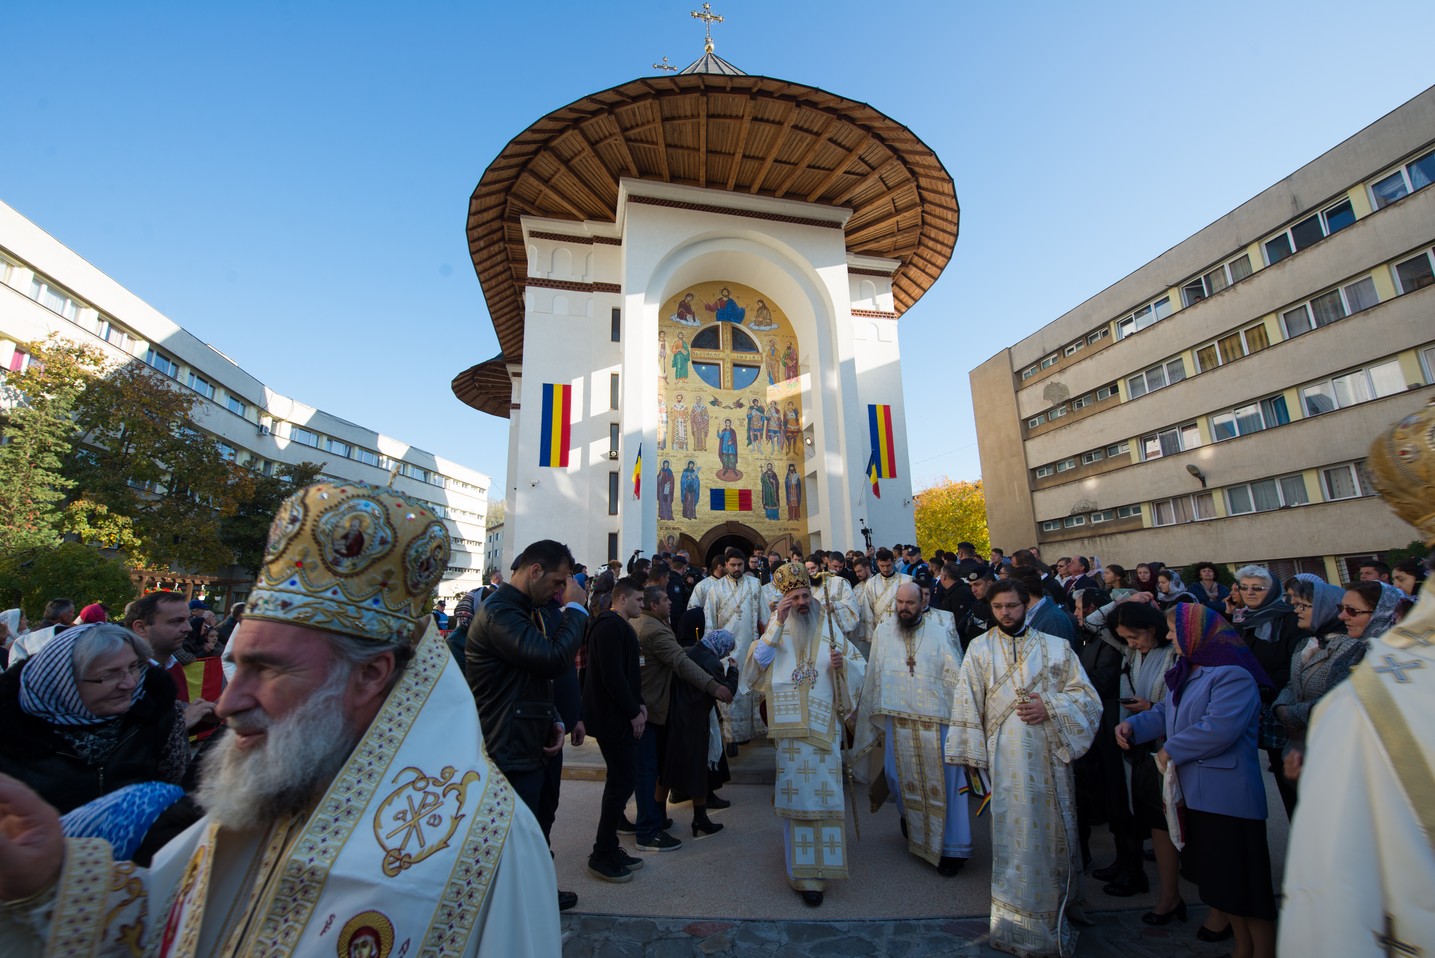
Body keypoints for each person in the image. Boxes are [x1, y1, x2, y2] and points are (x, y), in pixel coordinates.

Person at [0, 480, 560, 956]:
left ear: (370, 675)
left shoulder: (489, 846)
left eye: (267, 670)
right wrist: (52, 882)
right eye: (236, 665)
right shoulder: (271, 779)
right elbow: (178, 926)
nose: (226, 704)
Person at [1279, 401, 1434, 955]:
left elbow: (1333, 909)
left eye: (1354, 610)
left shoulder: (1372, 702)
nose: (1343, 617)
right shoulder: (1379, 693)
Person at [944, 578, 1102, 957]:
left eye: (1012, 607)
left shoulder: (1056, 647)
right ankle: (1015, 924)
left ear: (1025, 606)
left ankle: (1059, 908)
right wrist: (972, 760)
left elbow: (1086, 698)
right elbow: (966, 703)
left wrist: (1051, 706)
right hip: (1004, 761)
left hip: (1047, 758)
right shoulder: (979, 649)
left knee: (1052, 834)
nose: (1005, 614)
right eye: (998, 608)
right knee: (1014, 839)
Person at [1117, 603, 1277, 958]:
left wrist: (1169, 750)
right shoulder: (1189, 668)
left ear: (1197, 634)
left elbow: (1219, 728)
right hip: (1196, 794)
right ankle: (1242, 947)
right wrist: (1134, 726)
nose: (1169, 636)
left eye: (1174, 631)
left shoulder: (1232, 675)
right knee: (1223, 884)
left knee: (1245, 885)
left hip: (1228, 797)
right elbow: (1165, 711)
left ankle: (1262, 950)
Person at [466, 538, 589, 912]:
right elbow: (551, 659)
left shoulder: (527, 609)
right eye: (557, 582)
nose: (559, 591)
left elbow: (530, 676)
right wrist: (575, 612)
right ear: (535, 571)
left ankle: (536, 894)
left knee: (539, 822)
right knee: (517, 831)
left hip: (531, 737)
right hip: (508, 743)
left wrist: (552, 718)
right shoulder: (500, 611)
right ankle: (514, 914)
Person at [741, 562, 866, 907]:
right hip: (791, 732)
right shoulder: (776, 631)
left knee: (826, 798)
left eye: (804, 594)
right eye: (793, 597)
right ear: (782, 601)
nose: (801, 602)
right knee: (798, 800)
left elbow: (858, 665)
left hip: (824, 729)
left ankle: (824, 869)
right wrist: (777, 624)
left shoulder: (829, 627)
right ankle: (802, 873)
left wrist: (845, 667)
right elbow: (755, 667)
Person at [852, 582, 970, 874]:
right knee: (896, 776)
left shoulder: (939, 631)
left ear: (922, 604)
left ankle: (953, 850)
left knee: (946, 786)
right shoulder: (882, 632)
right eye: (900, 602)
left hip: (936, 722)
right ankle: (915, 826)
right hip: (899, 719)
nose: (904, 608)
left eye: (910, 603)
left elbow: (955, 674)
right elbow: (875, 672)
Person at [634, 584, 733, 852]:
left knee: (661, 769)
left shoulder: (649, 624)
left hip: (668, 711)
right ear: (653, 605)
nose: (671, 602)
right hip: (671, 712)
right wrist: (717, 686)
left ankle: (655, 816)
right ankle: (652, 826)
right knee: (655, 769)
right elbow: (680, 662)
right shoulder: (655, 630)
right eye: (666, 599)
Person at [1102, 599, 1181, 922]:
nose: (1129, 644)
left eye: (1134, 636)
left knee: (1176, 822)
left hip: (1171, 747)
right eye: (1125, 638)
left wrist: (1150, 707)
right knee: (1157, 822)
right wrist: (1120, 603)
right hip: (1139, 744)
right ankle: (1169, 894)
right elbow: (1097, 626)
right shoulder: (1134, 652)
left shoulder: (1173, 654)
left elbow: (1178, 705)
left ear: (1152, 628)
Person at [581, 577, 647, 883]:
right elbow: (611, 676)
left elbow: (628, 673)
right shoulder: (609, 626)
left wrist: (640, 703)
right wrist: (633, 711)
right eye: (638, 601)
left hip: (620, 714)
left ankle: (610, 845)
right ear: (621, 598)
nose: (642, 606)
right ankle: (601, 853)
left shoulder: (617, 626)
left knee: (623, 779)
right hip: (613, 718)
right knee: (622, 781)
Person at [1224, 564, 1301, 820]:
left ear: (1273, 590)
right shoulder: (1243, 620)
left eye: (1258, 588)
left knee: (1294, 785)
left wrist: (1264, 693)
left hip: (1282, 709)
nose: (1250, 593)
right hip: (1254, 710)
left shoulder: (1290, 619)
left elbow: (1293, 667)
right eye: (1244, 588)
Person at [662, 627, 738, 835]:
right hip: (696, 719)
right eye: (727, 650)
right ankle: (700, 819)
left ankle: (659, 815)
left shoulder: (687, 652)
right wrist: (733, 671)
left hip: (675, 717)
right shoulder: (712, 663)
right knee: (698, 770)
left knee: (668, 768)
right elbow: (726, 693)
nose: (726, 654)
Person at [697, 548, 763, 745]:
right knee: (730, 689)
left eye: (740, 565)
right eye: (732, 565)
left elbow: (764, 616)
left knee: (749, 686)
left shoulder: (755, 584)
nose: (736, 568)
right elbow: (709, 620)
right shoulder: (715, 589)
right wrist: (711, 652)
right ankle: (732, 736)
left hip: (751, 647)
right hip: (727, 652)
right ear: (725, 565)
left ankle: (751, 732)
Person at [853, 548, 912, 658]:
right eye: (882, 566)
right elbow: (868, 611)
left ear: (894, 562)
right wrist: (871, 637)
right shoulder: (871, 583)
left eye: (888, 565)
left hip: (902, 630)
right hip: (880, 632)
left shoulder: (907, 580)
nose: (885, 569)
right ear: (877, 564)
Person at [7, 599, 76, 666]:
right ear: (64, 616)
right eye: (72, 612)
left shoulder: (35, 631)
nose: (73, 615)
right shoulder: (53, 634)